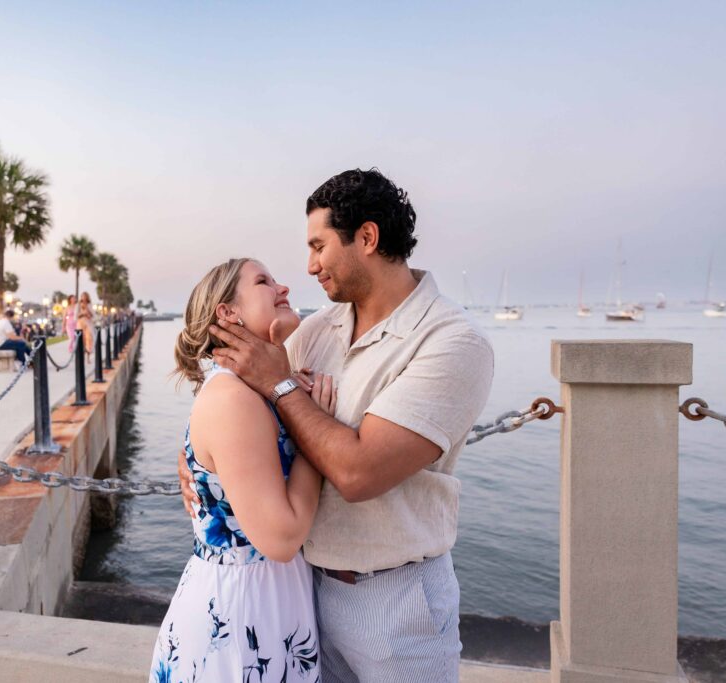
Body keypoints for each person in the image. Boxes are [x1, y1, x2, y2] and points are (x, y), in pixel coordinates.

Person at [183, 168, 494, 681]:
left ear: (366, 238)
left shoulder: (451, 343)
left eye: (319, 246)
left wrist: (284, 388)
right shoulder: (315, 331)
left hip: (395, 606)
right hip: (302, 593)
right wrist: (199, 462)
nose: (308, 267)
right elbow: (243, 410)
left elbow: (358, 474)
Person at [150, 258, 335, 683]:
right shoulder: (233, 399)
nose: (283, 286)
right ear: (228, 313)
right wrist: (316, 427)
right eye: (264, 281)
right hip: (241, 618)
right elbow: (281, 538)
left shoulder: (258, 390)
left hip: (268, 602)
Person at [77, 292, 95, 356]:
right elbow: (76, 315)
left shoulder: (89, 305)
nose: (83, 298)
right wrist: (82, 314)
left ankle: (88, 356)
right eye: (82, 296)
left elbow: (92, 315)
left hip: (88, 323)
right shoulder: (78, 305)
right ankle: (82, 354)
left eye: (85, 296)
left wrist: (87, 309)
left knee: (89, 339)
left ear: (87, 297)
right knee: (82, 340)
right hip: (80, 323)